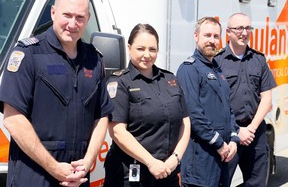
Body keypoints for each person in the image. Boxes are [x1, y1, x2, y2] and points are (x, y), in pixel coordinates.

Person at [0, 0, 114, 187]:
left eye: (79, 17)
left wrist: (87, 162)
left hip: (78, 177)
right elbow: (13, 119)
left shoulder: (94, 59)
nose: (72, 24)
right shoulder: (29, 55)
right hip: (34, 175)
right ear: (53, 12)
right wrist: (54, 168)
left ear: (88, 18)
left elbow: (102, 115)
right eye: (67, 15)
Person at [104, 23, 190, 187]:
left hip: (167, 171)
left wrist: (176, 158)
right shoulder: (120, 82)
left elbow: (185, 123)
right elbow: (117, 130)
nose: (147, 55)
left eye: (152, 49)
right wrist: (151, 162)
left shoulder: (170, 79)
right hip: (130, 174)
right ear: (129, 48)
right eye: (140, 48)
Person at [215, 12, 277, 186]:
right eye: (239, 28)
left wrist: (251, 129)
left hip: (255, 132)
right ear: (228, 32)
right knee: (222, 181)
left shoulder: (259, 59)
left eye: (248, 28)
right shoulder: (217, 61)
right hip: (227, 133)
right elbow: (214, 102)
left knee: (257, 183)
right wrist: (236, 130)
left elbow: (266, 98)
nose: (244, 32)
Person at [177, 17, 240, 187]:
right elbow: (193, 114)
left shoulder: (217, 69)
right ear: (196, 36)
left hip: (222, 158)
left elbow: (228, 109)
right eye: (207, 35)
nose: (212, 41)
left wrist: (234, 139)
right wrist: (219, 143)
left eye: (216, 36)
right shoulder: (189, 69)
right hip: (201, 161)